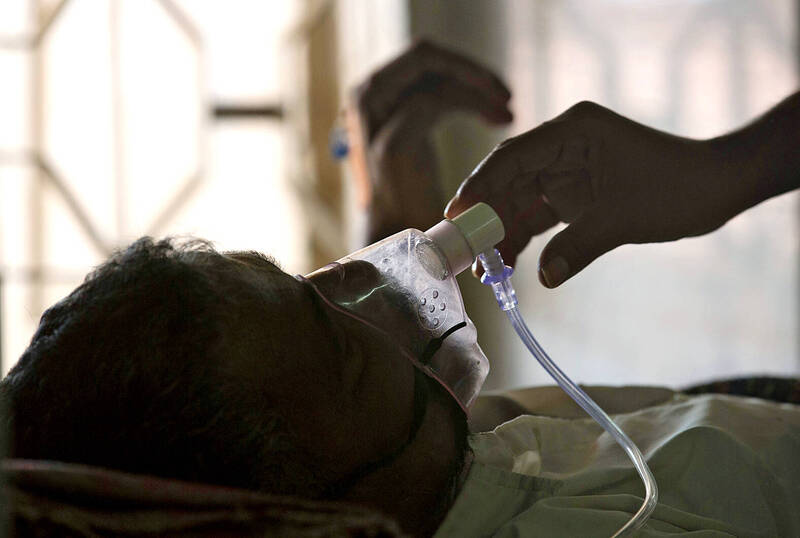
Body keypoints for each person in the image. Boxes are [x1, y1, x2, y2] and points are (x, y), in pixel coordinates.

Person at [0, 41, 798, 538]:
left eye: (307, 279)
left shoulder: (444, 461)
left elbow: (306, 399)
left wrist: (386, 200)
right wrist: (738, 169)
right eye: (339, 345)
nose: (363, 277)